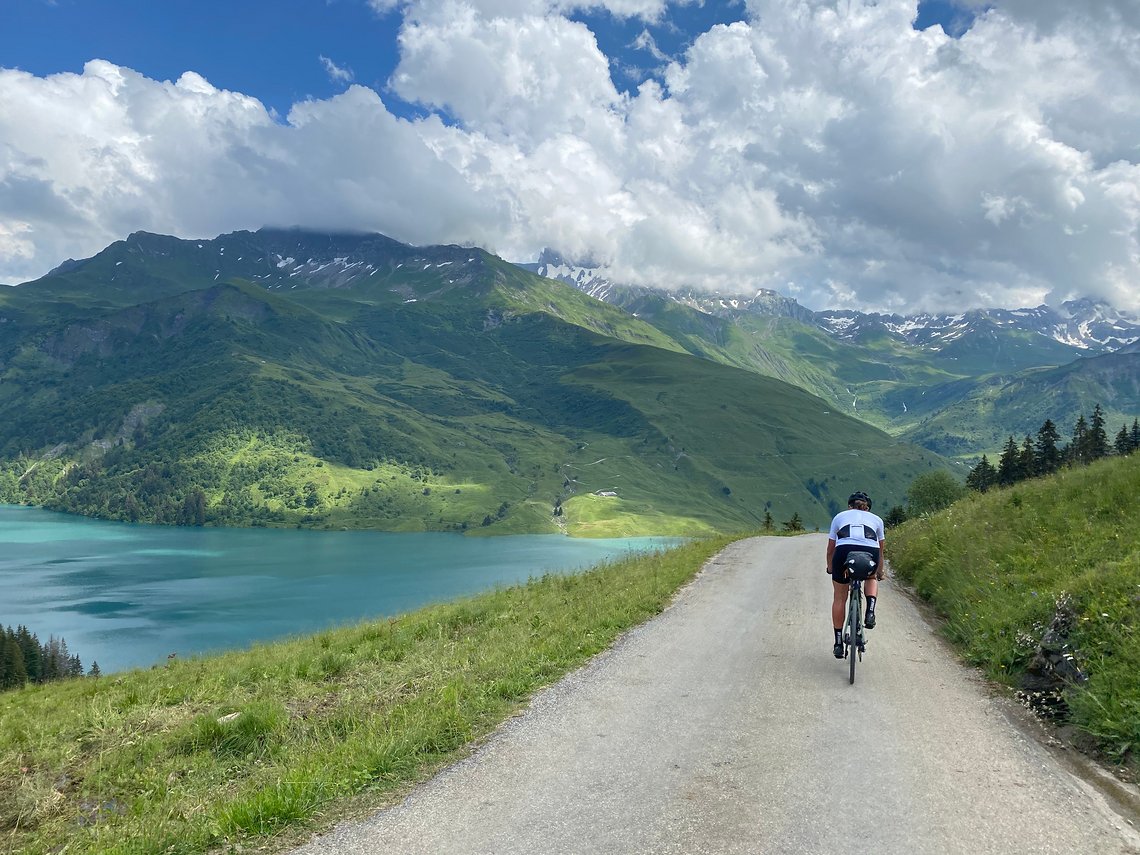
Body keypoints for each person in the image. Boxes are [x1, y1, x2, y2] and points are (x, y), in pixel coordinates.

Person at [826, 491, 885, 659]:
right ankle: (870, 611)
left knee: (839, 598)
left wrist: (831, 567)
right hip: (870, 552)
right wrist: (879, 572)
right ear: (868, 508)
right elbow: (880, 551)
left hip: (843, 552)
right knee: (871, 577)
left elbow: (831, 549)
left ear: (849, 506)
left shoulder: (839, 517)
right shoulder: (877, 520)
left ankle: (838, 643)